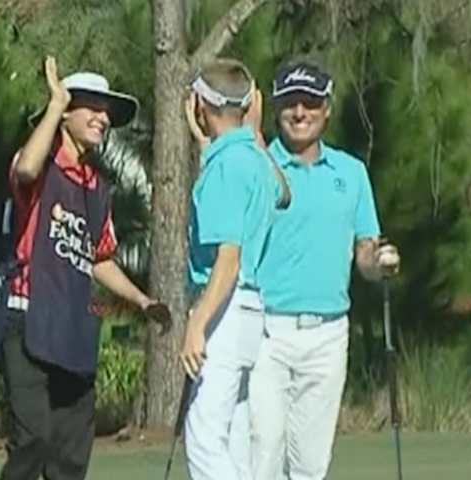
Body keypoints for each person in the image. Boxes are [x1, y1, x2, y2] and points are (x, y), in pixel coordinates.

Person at [0, 56, 163, 480]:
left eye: (107, 111)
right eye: (91, 106)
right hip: (27, 319)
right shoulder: (39, 164)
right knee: (32, 439)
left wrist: (141, 300)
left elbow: (98, 258)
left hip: (71, 329)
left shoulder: (98, 188)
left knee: (70, 456)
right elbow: (26, 168)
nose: (102, 118)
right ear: (66, 113)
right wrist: (54, 105)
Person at [248, 60, 401, 480]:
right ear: (276, 107)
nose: (300, 113)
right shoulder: (258, 167)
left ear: (327, 109)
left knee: (311, 464)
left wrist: (379, 264)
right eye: (290, 103)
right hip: (266, 331)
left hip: (329, 336)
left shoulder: (351, 173)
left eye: (310, 103)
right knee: (263, 451)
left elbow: (364, 251)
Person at [180, 58, 286, 480]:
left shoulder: (225, 167)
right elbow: (283, 193)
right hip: (250, 311)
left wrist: (197, 323)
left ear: (201, 104)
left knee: (204, 440)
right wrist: (245, 132)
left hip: (224, 307)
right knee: (234, 438)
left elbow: (228, 258)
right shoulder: (253, 159)